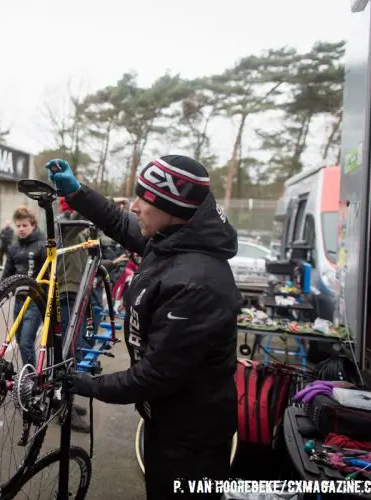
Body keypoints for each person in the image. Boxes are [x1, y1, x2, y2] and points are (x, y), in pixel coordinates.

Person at [46, 156, 240, 500]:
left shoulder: (198, 283)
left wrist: (86, 384)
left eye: (144, 200)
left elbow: (154, 377)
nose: (134, 206)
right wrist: (77, 193)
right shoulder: (175, 236)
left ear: (173, 208)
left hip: (190, 441)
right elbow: (121, 223)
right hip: (166, 421)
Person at [55, 196, 126, 432]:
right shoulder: (64, 227)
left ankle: (66, 401)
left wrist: (113, 263)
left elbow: (90, 263)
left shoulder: (82, 234)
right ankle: (65, 407)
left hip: (82, 295)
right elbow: (75, 219)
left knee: (78, 350)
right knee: (70, 354)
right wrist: (99, 203)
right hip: (67, 296)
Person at [1, 205, 46, 368]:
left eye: (25, 225)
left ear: (33, 225)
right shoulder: (14, 247)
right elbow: (7, 274)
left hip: (36, 301)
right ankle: (30, 372)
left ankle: (31, 379)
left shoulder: (42, 245)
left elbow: (50, 275)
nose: (21, 229)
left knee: (27, 341)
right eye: (18, 226)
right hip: (19, 300)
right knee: (20, 340)